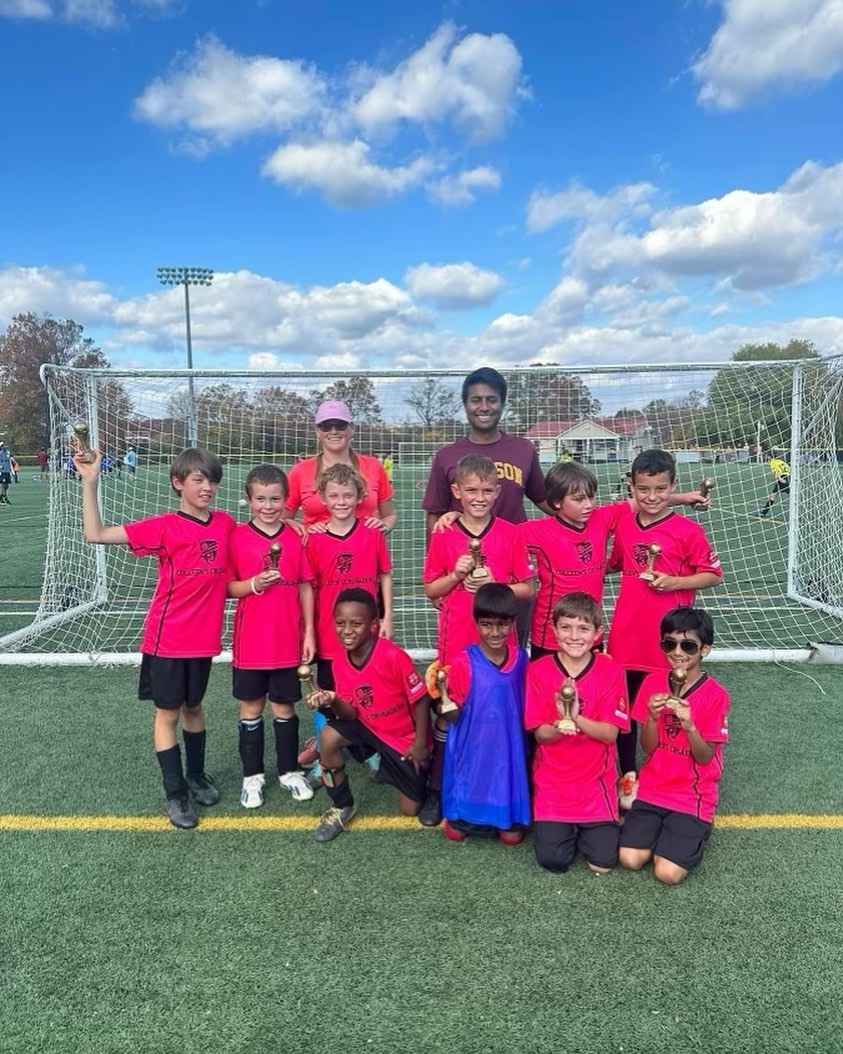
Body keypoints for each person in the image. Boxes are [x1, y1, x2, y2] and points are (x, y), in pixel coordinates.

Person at [75, 444, 235, 830]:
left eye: (212, 480)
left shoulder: (226, 524)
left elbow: (260, 535)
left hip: (204, 641)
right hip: (167, 640)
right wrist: (90, 483)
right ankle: (176, 793)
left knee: (194, 707)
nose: (207, 487)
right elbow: (95, 533)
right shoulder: (163, 526)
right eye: (199, 480)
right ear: (178, 483)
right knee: (168, 714)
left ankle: (196, 776)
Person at [421, 453, 535, 826]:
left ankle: (510, 790)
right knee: (451, 715)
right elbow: (430, 588)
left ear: (498, 491)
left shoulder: (511, 533)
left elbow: (528, 589)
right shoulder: (443, 534)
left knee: (502, 718)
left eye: (487, 490)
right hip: (458, 642)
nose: (479, 497)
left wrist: (496, 586)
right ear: (456, 492)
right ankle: (441, 788)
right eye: (471, 490)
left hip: (503, 647)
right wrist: (455, 576)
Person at [606, 449, 722, 810]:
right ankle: (629, 775)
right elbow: (614, 563)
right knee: (623, 711)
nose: (652, 497)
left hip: (669, 643)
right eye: (643, 489)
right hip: (625, 635)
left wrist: (673, 582)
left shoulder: (688, 529)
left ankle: (663, 777)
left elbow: (713, 574)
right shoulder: (623, 523)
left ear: (672, 486)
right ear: (632, 487)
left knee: (665, 710)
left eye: (660, 489)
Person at [521, 462, 709, 660]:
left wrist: (685, 498)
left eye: (591, 497)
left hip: (590, 630)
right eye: (579, 499)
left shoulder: (601, 518)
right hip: (550, 632)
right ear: (557, 502)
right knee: (549, 685)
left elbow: (639, 502)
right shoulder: (536, 530)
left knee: (591, 686)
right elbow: (501, 538)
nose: (588, 505)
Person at [306, 589, 431, 842]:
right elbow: (350, 713)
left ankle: (394, 766)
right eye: (340, 623)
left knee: (410, 809)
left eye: (356, 623)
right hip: (366, 726)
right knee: (328, 736)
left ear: (373, 625)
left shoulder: (393, 656)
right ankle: (342, 805)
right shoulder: (339, 662)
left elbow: (421, 700)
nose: (347, 631)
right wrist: (331, 700)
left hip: (399, 738)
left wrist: (419, 745)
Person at [227, 464, 317, 809]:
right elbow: (228, 587)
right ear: (248, 500)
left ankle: (289, 771)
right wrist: (253, 585)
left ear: (285, 499)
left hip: (287, 640)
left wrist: (308, 631)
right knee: (250, 707)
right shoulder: (237, 536)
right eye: (261, 499)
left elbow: (306, 585)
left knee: (284, 706)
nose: (268, 506)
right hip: (251, 642)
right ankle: (252, 777)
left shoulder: (296, 535)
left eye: (275, 499)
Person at [619, 606, 729, 885]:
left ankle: (695, 828)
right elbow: (648, 747)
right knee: (630, 860)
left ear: (704, 650)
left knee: (666, 873)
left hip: (691, 794)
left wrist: (690, 726)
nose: (677, 652)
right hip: (654, 788)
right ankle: (663, 834)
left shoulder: (716, 695)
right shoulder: (653, 683)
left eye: (688, 645)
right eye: (669, 643)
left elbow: (705, 758)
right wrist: (653, 719)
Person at [525, 592, 629, 874]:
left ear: (597, 634)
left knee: (603, 865)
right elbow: (541, 736)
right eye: (566, 627)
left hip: (595, 784)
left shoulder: (611, 671)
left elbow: (609, 735)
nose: (574, 636)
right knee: (554, 861)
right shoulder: (538, 671)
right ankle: (565, 825)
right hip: (554, 785)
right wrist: (560, 723)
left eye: (583, 628)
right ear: (554, 630)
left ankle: (603, 818)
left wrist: (574, 717)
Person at [438, 583, 530, 845]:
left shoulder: (520, 658)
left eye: (502, 624)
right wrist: (446, 707)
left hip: (508, 749)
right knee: (455, 832)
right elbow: (451, 710)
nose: (495, 632)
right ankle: (466, 810)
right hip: (473, 748)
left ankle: (507, 810)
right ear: (476, 624)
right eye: (487, 624)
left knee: (511, 838)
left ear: (512, 623)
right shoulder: (463, 661)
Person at [421, 366, 551, 538]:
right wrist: (435, 561)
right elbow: (435, 514)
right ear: (466, 405)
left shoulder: (524, 449)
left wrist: (585, 513)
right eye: (476, 400)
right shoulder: (446, 456)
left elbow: (544, 499)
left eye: (491, 399)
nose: (484, 407)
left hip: (514, 554)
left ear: (502, 403)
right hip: (465, 558)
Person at [282, 400, 396, 532]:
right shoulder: (300, 471)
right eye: (326, 426)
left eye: (340, 425)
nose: (333, 431)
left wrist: (383, 527)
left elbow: (389, 515)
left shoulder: (373, 466)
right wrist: (303, 529)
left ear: (351, 429)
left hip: (364, 549)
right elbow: (283, 518)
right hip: (316, 550)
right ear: (317, 431)